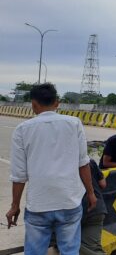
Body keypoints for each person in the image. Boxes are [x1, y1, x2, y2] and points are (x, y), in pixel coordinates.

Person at [5, 83, 96, 254]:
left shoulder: (22, 130)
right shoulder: (74, 123)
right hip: (69, 201)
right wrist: (91, 193)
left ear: (33, 104)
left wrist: (14, 205)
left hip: (39, 205)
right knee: (69, 251)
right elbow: (83, 163)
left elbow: (19, 175)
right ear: (57, 102)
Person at [80, 159, 107, 255]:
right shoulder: (91, 161)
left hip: (74, 210)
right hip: (97, 210)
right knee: (92, 248)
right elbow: (103, 184)